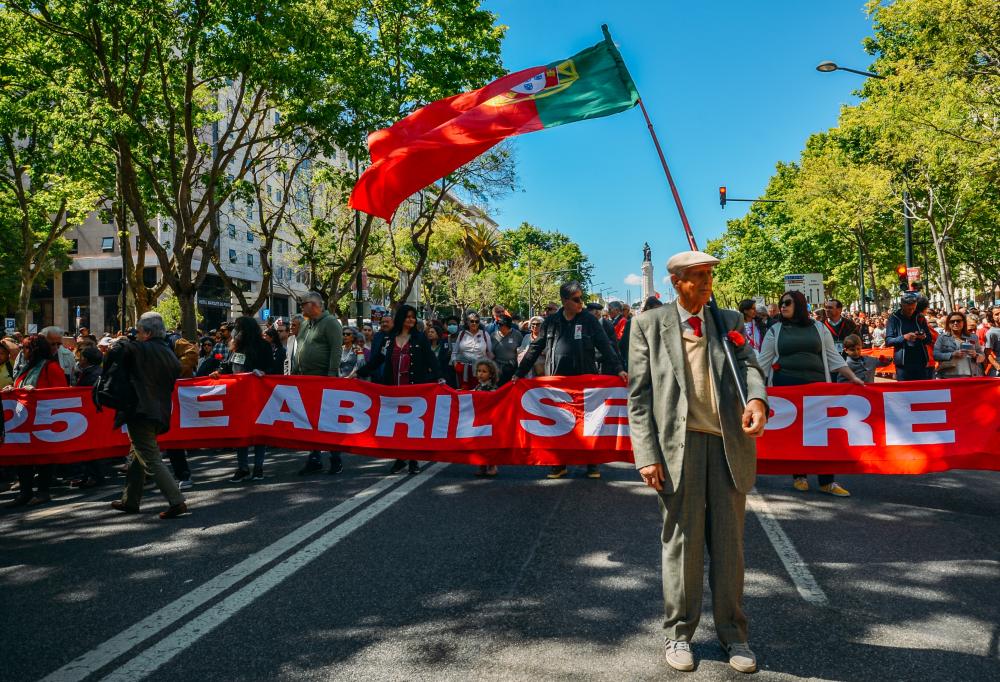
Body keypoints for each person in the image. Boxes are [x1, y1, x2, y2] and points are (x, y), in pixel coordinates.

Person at [628, 250, 769, 674]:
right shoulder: (647, 325)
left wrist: (758, 398)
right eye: (697, 277)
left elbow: (750, 366)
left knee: (730, 547)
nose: (706, 283)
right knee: (682, 545)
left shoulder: (729, 322)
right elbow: (638, 399)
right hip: (677, 450)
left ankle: (733, 634)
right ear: (676, 281)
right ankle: (679, 634)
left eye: (709, 276)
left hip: (727, 446)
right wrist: (646, 455)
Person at [514, 281, 626, 480]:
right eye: (576, 299)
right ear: (565, 301)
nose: (581, 303)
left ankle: (592, 463)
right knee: (558, 422)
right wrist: (519, 373)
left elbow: (606, 345)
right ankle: (559, 464)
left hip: (585, 382)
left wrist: (619, 369)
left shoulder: (589, 321)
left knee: (589, 422)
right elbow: (535, 348)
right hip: (557, 382)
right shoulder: (551, 322)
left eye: (581, 298)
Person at [757, 291, 864, 497]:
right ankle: (799, 476)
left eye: (787, 302)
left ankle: (827, 481)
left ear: (798, 304)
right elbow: (763, 360)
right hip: (787, 391)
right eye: (781, 303)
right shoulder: (775, 330)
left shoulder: (818, 328)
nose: (783, 306)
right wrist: (748, 384)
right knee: (795, 434)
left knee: (823, 434)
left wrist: (852, 377)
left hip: (818, 391)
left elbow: (833, 357)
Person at [107, 312, 187, 519]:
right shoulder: (169, 353)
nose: (137, 335)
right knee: (137, 455)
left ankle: (176, 500)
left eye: (139, 331)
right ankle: (130, 500)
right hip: (159, 410)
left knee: (150, 458)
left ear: (148, 333)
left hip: (140, 410)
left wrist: (121, 342)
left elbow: (116, 352)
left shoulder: (140, 349)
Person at [358, 304, 442, 475]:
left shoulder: (420, 338)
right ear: (401, 318)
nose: (411, 319)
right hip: (393, 390)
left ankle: (413, 460)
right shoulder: (388, 339)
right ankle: (399, 458)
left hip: (414, 390)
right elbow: (377, 360)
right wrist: (358, 373)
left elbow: (431, 360)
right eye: (408, 316)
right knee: (396, 425)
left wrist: (440, 378)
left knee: (412, 425)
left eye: (413, 316)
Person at [3, 334, 69, 506]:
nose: (22, 351)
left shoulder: (51, 367)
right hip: (24, 421)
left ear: (35, 350)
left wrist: (37, 391)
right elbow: (20, 389)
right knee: (23, 457)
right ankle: (25, 493)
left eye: (26, 348)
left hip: (43, 421)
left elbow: (61, 394)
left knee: (43, 458)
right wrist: (13, 389)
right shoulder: (27, 368)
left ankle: (43, 492)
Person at [211, 316, 277, 482]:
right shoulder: (236, 347)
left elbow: (272, 368)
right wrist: (219, 372)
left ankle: (258, 467)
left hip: (258, 396)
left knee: (259, 431)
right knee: (240, 431)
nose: (234, 331)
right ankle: (242, 467)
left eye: (237, 328)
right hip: (238, 396)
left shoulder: (264, 346)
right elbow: (227, 366)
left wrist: (262, 372)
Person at [291, 293, 344, 474]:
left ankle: (335, 457)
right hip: (306, 380)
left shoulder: (330, 323)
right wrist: (296, 371)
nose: (301, 307)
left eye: (303, 304)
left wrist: (331, 377)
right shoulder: (305, 324)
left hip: (323, 379)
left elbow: (336, 350)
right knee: (310, 421)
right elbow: (300, 348)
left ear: (314, 305)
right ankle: (314, 457)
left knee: (328, 420)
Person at [885, 292, 935, 381]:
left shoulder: (920, 317)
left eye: (913, 308)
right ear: (901, 306)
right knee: (904, 392)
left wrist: (923, 337)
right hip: (903, 365)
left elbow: (929, 339)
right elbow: (888, 341)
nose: (911, 311)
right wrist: (904, 337)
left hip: (921, 361)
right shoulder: (894, 318)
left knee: (922, 390)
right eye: (908, 309)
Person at [933, 312, 985, 378]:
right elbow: (936, 355)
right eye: (952, 321)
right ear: (948, 324)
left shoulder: (973, 337)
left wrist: (975, 355)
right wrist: (952, 354)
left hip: (971, 375)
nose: (955, 323)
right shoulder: (942, 337)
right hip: (949, 376)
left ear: (963, 322)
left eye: (958, 321)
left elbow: (982, 356)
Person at [472, 359, 499, 478]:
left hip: (489, 420)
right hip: (479, 419)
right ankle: (481, 465)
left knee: (489, 444)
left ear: (491, 374)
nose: (480, 374)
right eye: (478, 371)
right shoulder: (477, 387)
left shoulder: (493, 388)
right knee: (479, 443)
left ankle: (492, 466)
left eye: (484, 371)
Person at [451, 312, 493, 390]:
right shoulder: (462, 334)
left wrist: (487, 368)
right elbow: (454, 352)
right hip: (462, 369)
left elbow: (489, 353)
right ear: (467, 322)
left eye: (476, 321)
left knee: (479, 391)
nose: (474, 323)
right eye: (472, 321)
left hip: (479, 370)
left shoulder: (485, 334)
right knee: (463, 392)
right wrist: (455, 363)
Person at [490, 315, 522, 385]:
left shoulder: (517, 335)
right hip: (497, 368)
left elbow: (521, 352)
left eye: (501, 324)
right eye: (498, 323)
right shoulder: (493, 335)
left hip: (512, 368)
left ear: (508, 325)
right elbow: (490, 351)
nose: (498, 326)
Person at [426, 323, 457, 388]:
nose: (430, 333)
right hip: (429, 376)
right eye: (429, 332)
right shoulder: (426, 346)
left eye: (432, 332)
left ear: (438, 333)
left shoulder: (444, 345)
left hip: (442, 375)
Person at [984, 307, 1000, 377]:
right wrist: (997, 366)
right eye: (997, 314)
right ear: (992, 317)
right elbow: (987, 352)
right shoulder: (991, 333)